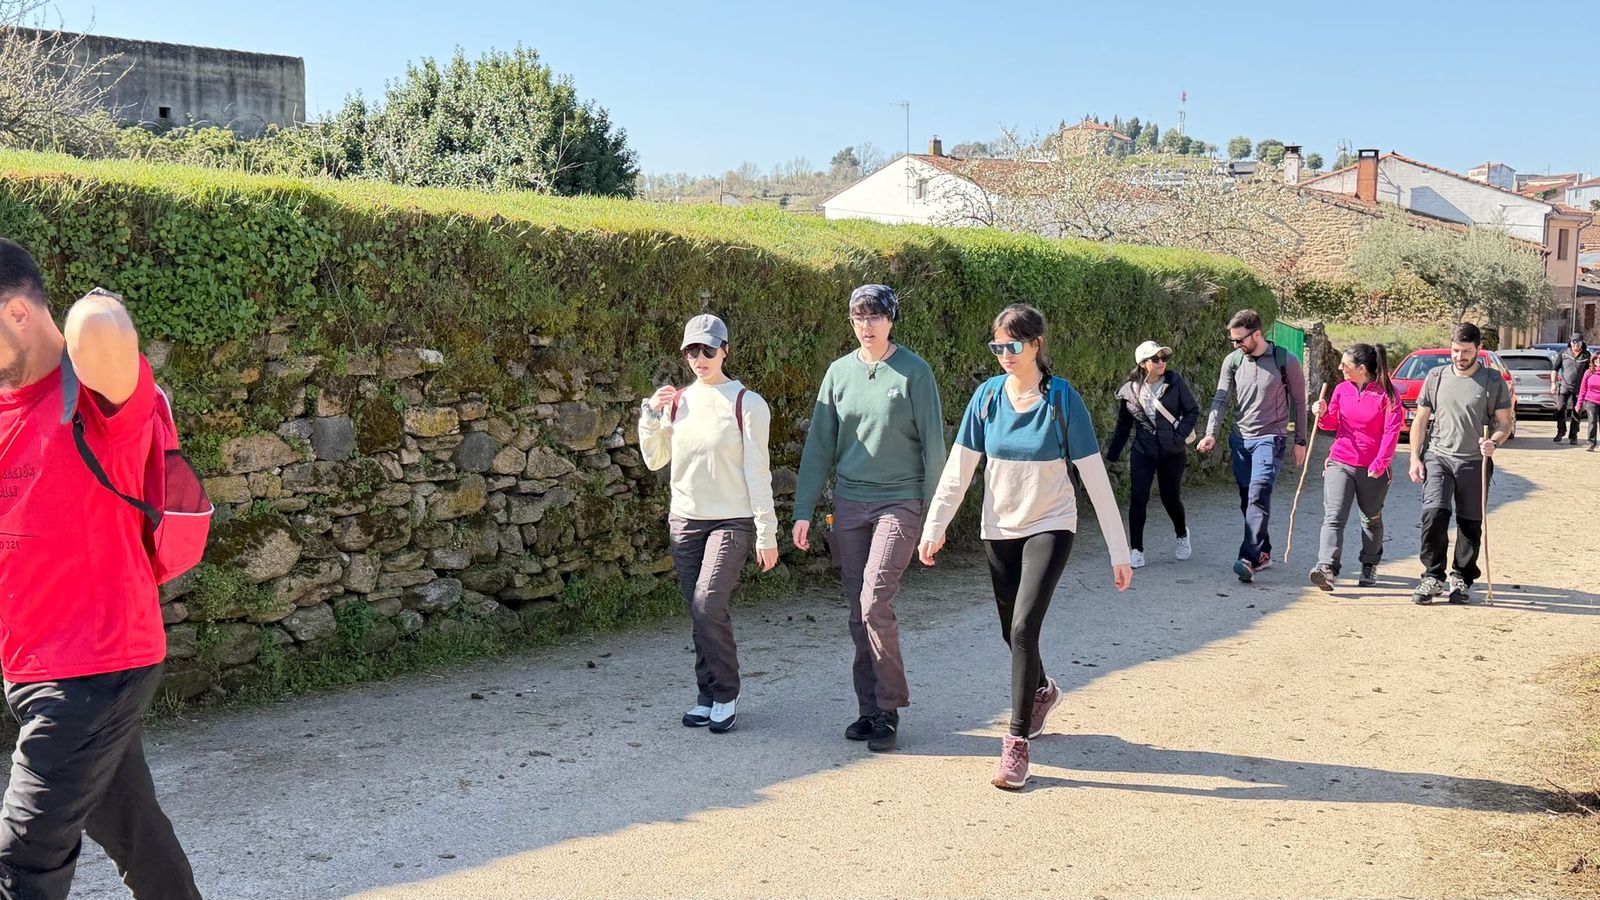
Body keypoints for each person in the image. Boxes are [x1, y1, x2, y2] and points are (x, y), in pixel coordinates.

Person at [0, 238, 201, 899]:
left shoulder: (100, 404)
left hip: (94, 665)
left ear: (18, 313)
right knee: (139, 835)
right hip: (36, 668)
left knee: (23, 862)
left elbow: (103, 330)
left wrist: (96, 302)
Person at [918, 304, 1133, 791]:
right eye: (997, 347)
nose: (1004, 355)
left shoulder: (1061, 400)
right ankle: (1042, 690)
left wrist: (1119, 552)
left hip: (1051, 525)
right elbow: (959, 470)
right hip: (999, 529)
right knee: (1010, 633)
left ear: (1036, 345)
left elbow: (1096, 479)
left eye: (1013, 346)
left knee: (1022, 626)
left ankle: (1016, 745)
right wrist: (935, 526)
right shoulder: (987, 399)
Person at [792, 284, 946, 753]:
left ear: (891, 320)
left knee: (875, 598)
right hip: (850, 504)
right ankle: (868, 710)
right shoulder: (838, 373)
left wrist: (935, 518)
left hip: (900, 502)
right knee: (857, 610)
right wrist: (802, 510)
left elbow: (935, 446)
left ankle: (889, 708)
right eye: (859, 316)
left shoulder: (914, 372)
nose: (867, 324)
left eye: (875, 316)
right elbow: (820, 445)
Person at [639, 314, 779, 734]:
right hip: (685, 520)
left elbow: (759, 472)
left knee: (707, 604)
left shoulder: (747, 403)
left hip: (732, 521)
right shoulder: (679, 401)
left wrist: (766, 533)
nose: (700, 359)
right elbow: (654, 459)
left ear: (725, 351)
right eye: (691, 351)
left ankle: (726, 693)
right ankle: (706, 694)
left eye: (708, 350)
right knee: (698, 612)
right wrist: (650, 413)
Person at [1195, 309, 1308, 583]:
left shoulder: (1285, 361)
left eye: (1240, 340)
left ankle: (1248, 557)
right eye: (1232, 341)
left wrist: (1300, 441)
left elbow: (1300, 402)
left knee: (1258, 494)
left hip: (1272, 438)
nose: (1236, 345)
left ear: (1257, 334)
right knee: (1248, 500)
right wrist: (1211, 432)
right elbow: (1221, 400)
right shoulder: (1233, 361)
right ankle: (1264, 550)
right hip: (1240, 439)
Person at [1407, 322, 1514, 605]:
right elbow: (1420, 420)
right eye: (1455, 350)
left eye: (1466, 351)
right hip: (1438, 456)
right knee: (1434, 515)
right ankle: (1432, 576)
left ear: (1478, 350)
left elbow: (1506, 423)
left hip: (1475, 462)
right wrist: (1414, 457)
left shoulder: (1492, 381)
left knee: (1469, 524)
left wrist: (1495, 442)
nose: (1459, 357)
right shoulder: (1436, 377)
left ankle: (1462, 578)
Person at [1307, 343, 1404, 591]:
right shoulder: (1341, 390)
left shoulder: (1388, 396)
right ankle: (1326, 567)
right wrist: (1322, 412)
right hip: (1341, 460)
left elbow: (1391, 433)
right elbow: (1330, 426)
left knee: (1370, 520)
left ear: (1361, 368)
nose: (1340, 368)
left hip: (1373, 468)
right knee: (1333, 516)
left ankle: (1369, 564)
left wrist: (1380, 463)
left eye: (1345, 364)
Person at [1104, 339, 1199, 568]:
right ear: (1143, 363)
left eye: (1163, 358)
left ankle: (1181, 534)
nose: (1161, 363)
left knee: (1170, 497)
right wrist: (1111, 455)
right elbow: (1123, 425)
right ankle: (1136, 549)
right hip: (1143, 451)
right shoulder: (1129, 391)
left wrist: (1178, 437)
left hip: (1172, 451)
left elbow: (1192, 411)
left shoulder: (1175, 382)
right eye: (1155, 359)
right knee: (1138, 497)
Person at [1551, 332, 1592, 446]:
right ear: (1570, 342)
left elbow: (1590, 372)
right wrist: (1553, 384)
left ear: (1582, 343)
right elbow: (1555, 369)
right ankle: (1561, 431)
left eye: (1578, 342)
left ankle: (1573, 435)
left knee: (1576, 411)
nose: (1576, 344)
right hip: (1564, 386)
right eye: (1574, 342)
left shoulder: (1586, 355)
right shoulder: (1564, 353)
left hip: (1579, 388)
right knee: (1560, 409)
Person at [1578, 352, 1600, 452]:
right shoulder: (1588, 372)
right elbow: (1583, 389)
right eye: (1596, 359)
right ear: (1593, 361)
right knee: (1592, 421)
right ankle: (1591, 443)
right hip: (1591, 400)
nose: (1598, 361)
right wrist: (1579, 403)